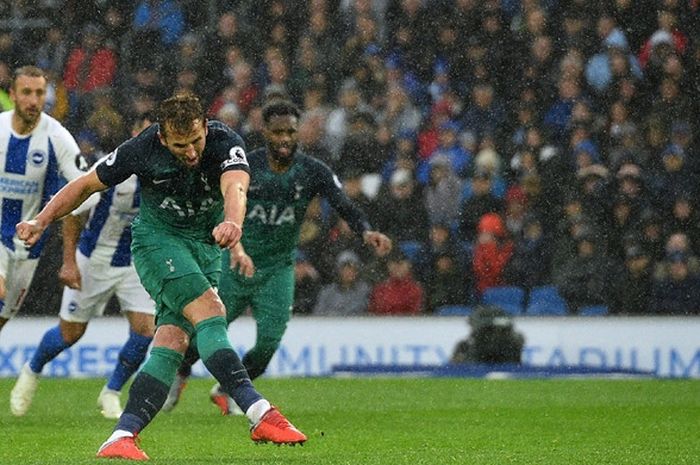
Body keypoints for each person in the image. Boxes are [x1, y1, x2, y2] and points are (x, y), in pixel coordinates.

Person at [15, 93, 306, 460]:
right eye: (180, 145)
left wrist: (233, 220)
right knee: (211, 313)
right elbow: (85, 185)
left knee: (172, 341)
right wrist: (41, 220)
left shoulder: (225, 141)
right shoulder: (141, 148)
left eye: (196, 141)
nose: (191, 152)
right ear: (163, 138)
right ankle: (259, 411)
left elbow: (236, 186)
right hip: (158, 243)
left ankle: (121, 436)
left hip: (205, 246)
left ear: (205, 127)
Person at [163, 99, 391, 414]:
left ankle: (227, 388)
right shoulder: (245, 167)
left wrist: (365, 230)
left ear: (298, 133)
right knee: (208, 331)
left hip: (278, 269)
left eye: (290, 132)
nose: (284, 138)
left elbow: (341, 201)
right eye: (277, 131)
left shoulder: (312, 170)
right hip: (234, 263)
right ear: (265, 132)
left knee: (269, 343)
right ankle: (182, 372)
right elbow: (216, 204)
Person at [10, 116, 156, 420]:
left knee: (145, 331)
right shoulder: (113, 167)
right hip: (94, 259)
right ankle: (32, 369)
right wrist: (69, 261)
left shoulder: (167, 173)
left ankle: (112, 392)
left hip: (134, 262)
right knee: (70, 333)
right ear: (133, 132)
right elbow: (74, 211)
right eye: (142, 132)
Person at [0, 65, 88, 336]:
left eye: (39, 93)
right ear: (12, 94)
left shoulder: (57, 137)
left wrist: (69, 259)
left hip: (26, 245)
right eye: (26, 92)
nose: (34, 100)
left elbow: (81, 192)